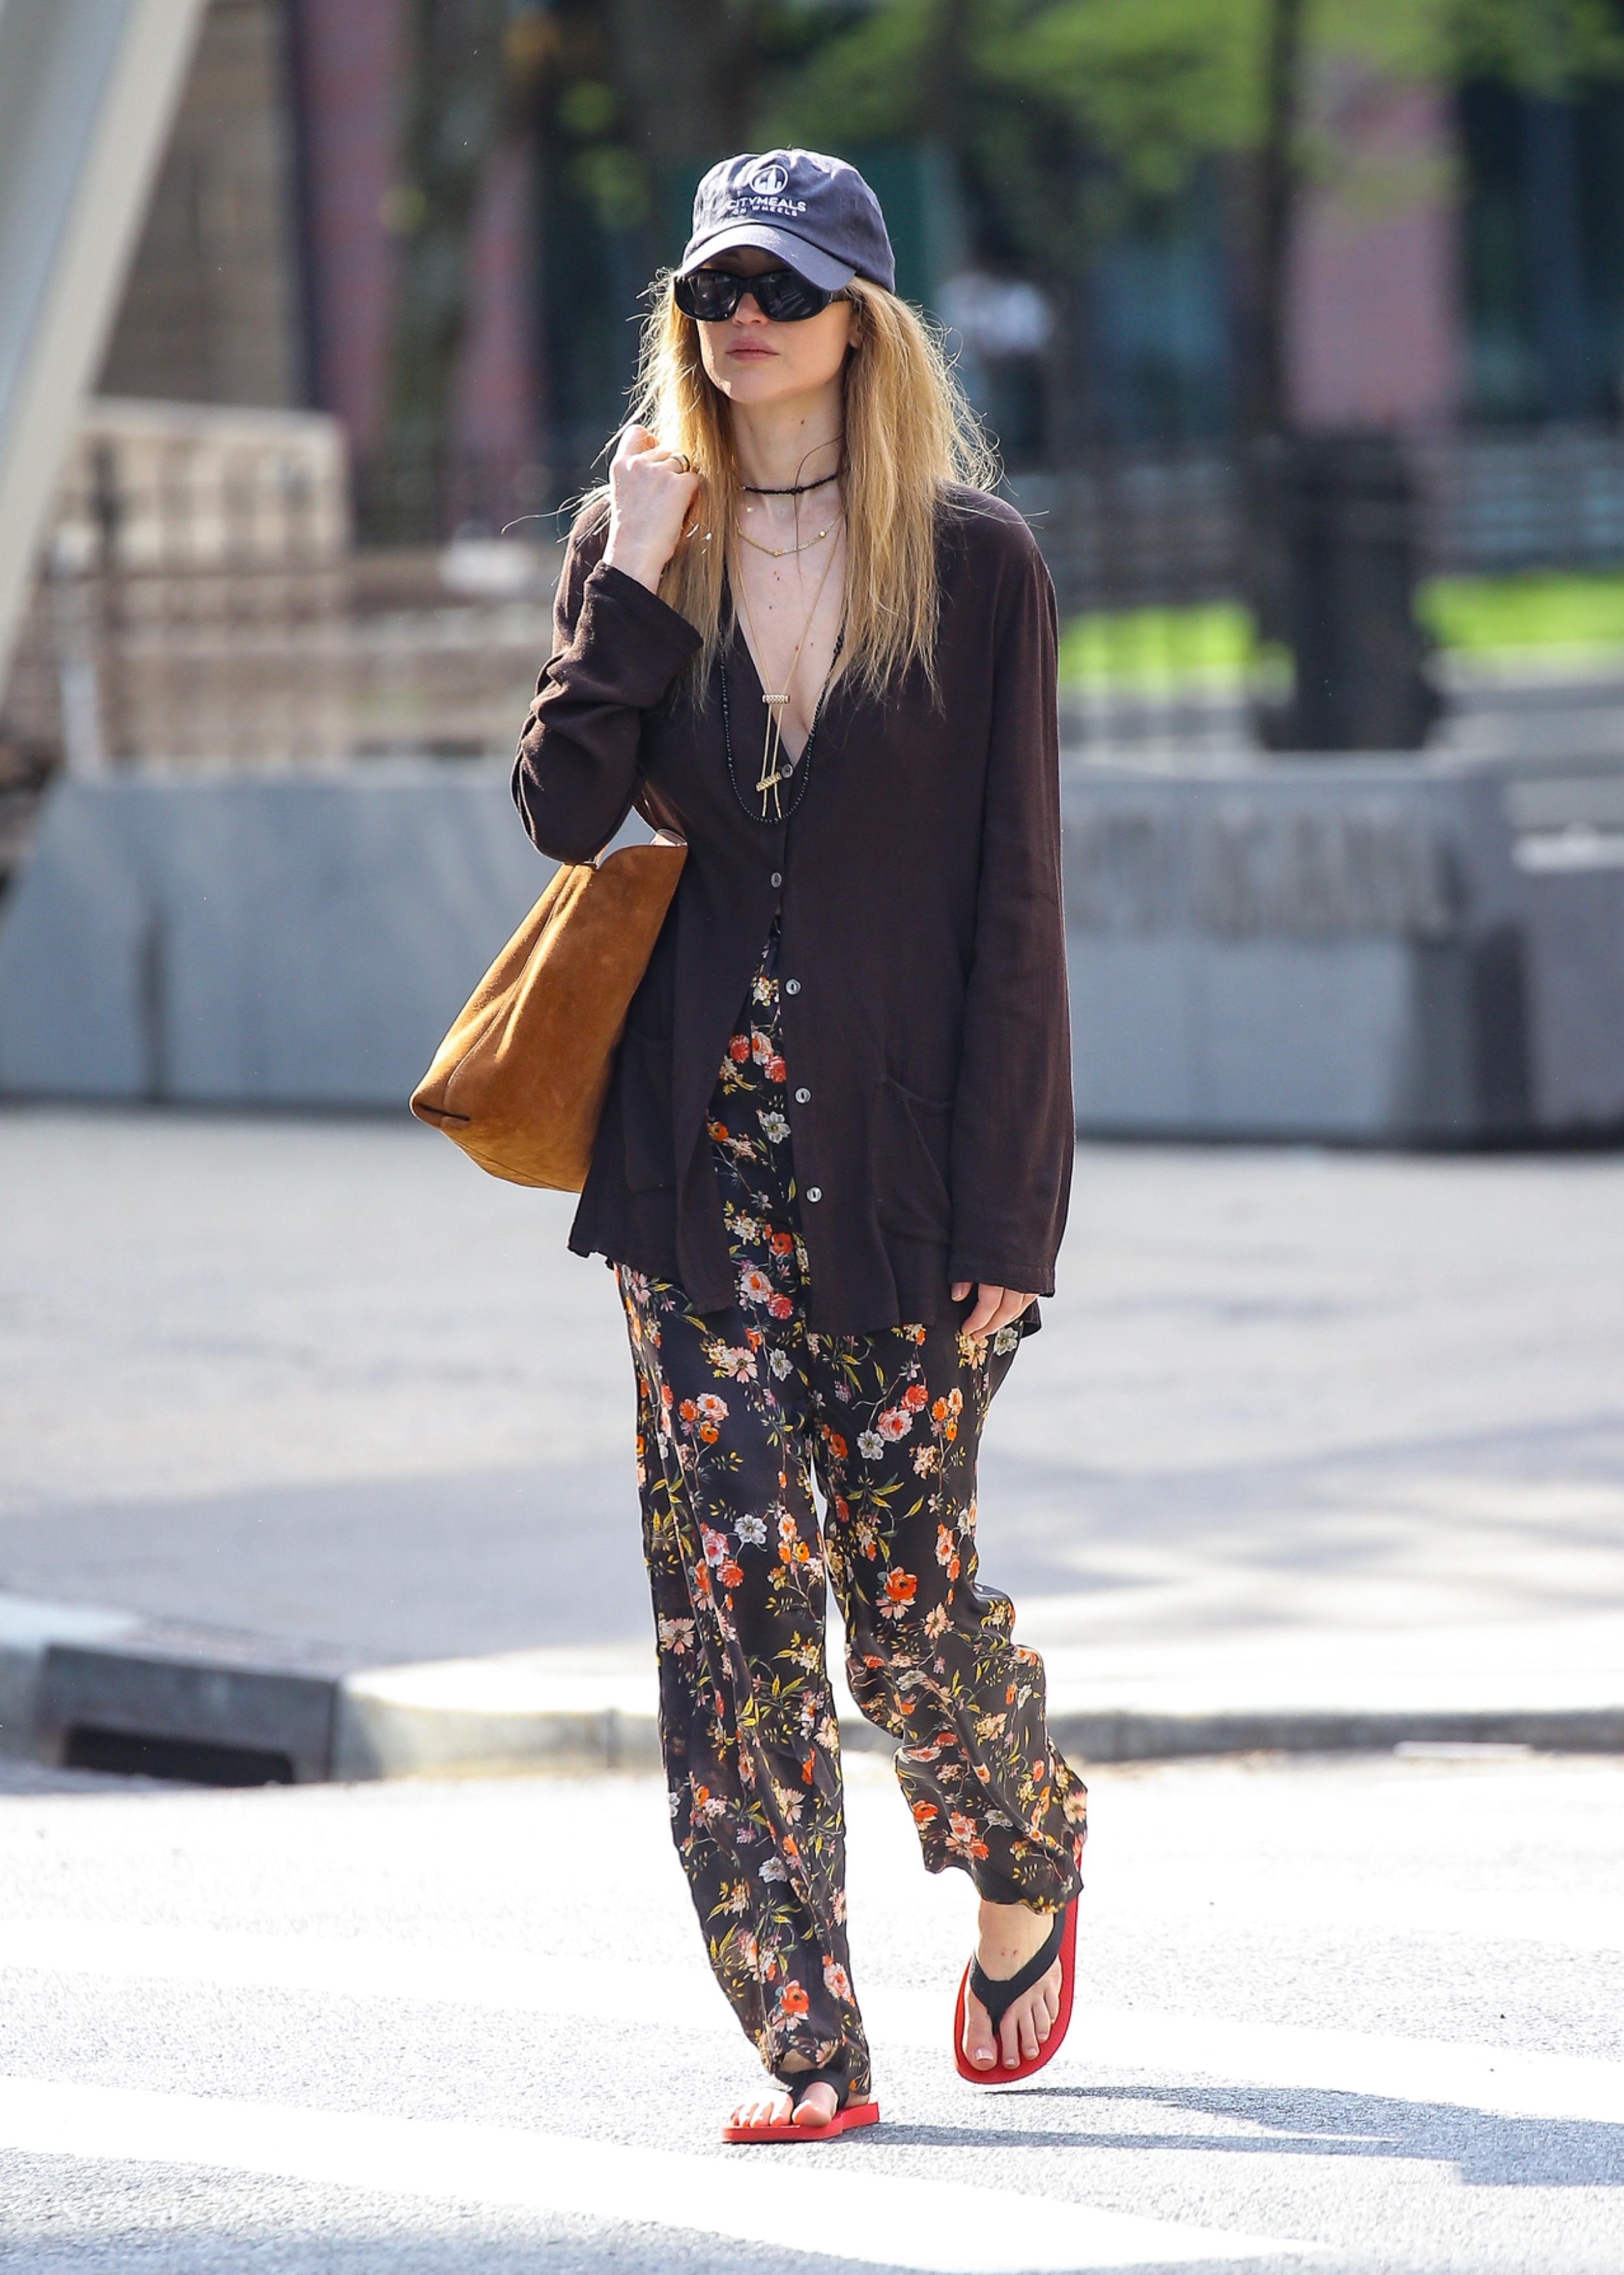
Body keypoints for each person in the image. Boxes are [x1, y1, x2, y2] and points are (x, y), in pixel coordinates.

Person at [513, 149, 1086, 2143]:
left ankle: (1022, 1841)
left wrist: (1015, 1209)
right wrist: (624, 577)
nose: (739, 315)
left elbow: (1016, 908)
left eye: (780, 283)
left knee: (905, 1611)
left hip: (912, 1172)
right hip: (688, 1170)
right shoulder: (638, 536)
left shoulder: (975, 565)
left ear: (859, 319)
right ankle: (810, 2045)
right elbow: (562, 812)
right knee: (731, 1597)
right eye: (710, 286)